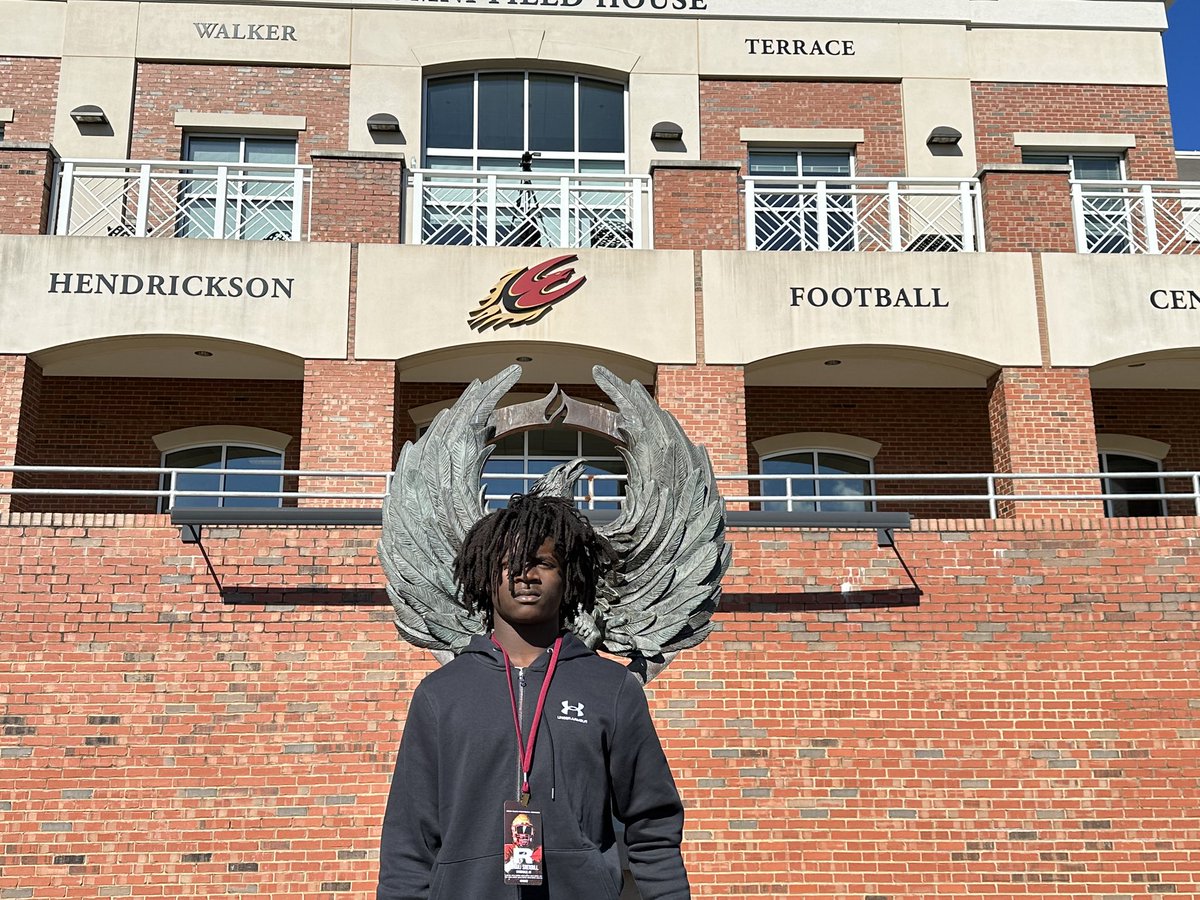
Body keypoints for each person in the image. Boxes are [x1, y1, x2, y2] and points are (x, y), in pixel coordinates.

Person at [377, 493, 691, 899]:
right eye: (508, 564)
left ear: (569, 576)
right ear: (485, 578)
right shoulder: (441, 695)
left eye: (543, 563)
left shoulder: (610, 689)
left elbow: (652, 824)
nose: (526, 575)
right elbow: (409, 839)